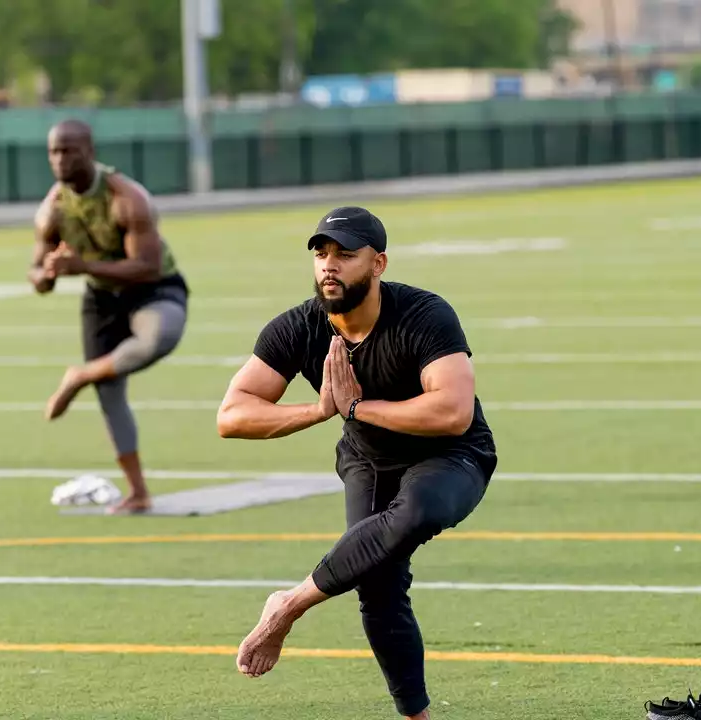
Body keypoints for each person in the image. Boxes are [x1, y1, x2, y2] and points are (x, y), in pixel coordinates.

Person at [217, 206, 497, 720]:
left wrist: (356, 408)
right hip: (368, 460)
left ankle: (289, 604)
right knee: (378, 586)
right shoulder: (299, 327)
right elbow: (232, 414)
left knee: (418, 510)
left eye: (346, 255)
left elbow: (453, 412)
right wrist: (320, 410)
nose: (330, 265)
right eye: (322, 254)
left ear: (378, 263)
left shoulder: (424, 314)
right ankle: (417, 716)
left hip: (453, 455)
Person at [26, 119, 190, 515]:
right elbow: (35, 275)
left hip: (153, 289)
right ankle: (138, 491)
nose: (61, 159)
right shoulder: (52, 211)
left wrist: (81, 265)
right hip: (102, 299)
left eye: (69, 150)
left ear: (90, 151)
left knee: (158, 338)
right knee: (111, 394)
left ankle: (80, 374)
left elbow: (147, 266)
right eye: (54, 151)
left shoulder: (127, 198)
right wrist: (48, 272)